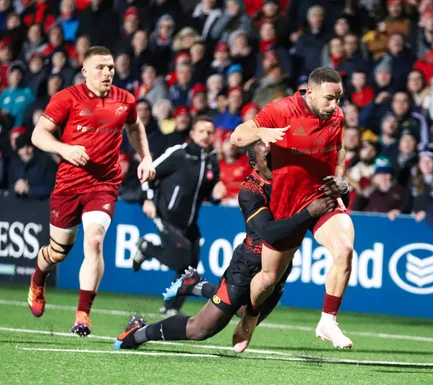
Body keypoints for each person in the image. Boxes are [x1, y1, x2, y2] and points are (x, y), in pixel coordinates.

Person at [114, 142, 339, 349]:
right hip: (247, 267)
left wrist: (341, 188)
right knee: (201, 329)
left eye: (276, 154)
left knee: (247, 314)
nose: (275, 160)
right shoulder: (250, 190)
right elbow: (270, 234)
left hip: (280, 268)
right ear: (254, 164)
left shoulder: (293, 178)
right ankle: (137, 333)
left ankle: (196, 285)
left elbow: (329, 200)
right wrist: (309, 212)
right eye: (267, 156)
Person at [27, 46, 156, 336]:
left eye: (110, 67)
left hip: (104, 184)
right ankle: (38, 278)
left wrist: (145, 156)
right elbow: (38, 135)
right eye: (100, 67)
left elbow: (135, 128)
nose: (107, 72)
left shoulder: (126, 99)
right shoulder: (66, 98)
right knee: (58, 252)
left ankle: (83, 314)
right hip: (69, 185)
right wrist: (64, 148)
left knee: (95, 242)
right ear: (85, 71)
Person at [230, 67, 355, 352]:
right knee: (267, 280)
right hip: (287, 203)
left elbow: (340, 150)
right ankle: (250, 315)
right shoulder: (282, 109)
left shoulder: (336, 115)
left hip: (322, 197)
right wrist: (261, 131)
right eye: (329, 98)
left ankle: (328, 320)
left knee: (345, 249)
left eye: (338, 98)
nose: (335, 105)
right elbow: (237, 137)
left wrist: (340, 179)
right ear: (310, 93)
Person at [132, 115, 226, 315]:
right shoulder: (178, 154)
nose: (205, 135)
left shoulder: (211, 160)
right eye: (201, 131)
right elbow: (149, 173)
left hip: (190, 222)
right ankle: (146, 248)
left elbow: (208, 192)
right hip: (166, 215)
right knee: (183, 260)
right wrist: (147, 199)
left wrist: (216, 194)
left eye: (209, 132)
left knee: (190, 266)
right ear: (192, 133)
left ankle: (171, 307)